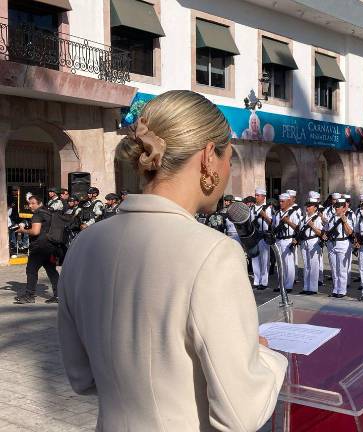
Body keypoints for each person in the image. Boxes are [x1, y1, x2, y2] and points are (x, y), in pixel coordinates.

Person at [58, 90, 286, 430]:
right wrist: (265, 354)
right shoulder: (214, 253)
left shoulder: (84, 244)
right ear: (209, 155)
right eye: (229, 157)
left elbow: (81, 377)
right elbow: (242, 413)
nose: (228, 169)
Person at [14, 195, 60, 304]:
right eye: (29, 203)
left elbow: (35, 231)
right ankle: (59, 295)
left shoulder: (38, 214)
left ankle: (29, 295)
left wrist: (22, 230)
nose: (30, 206)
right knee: (51, 271)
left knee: (31, 270)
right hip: (50, 246)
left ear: (39, 203)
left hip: (39, 247)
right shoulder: (49, 213)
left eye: (33, 203)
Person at [325, 198, 355, 298]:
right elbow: (326, 230)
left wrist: (344, 222)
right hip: (332, 244)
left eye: (338, 207)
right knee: (334, 269)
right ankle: (335, 289)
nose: (336, 208)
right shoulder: (331, 218)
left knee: (342, 268)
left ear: (343, 207)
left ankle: (342, 290)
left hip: (343, 243)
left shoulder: (348, 217)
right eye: (335, 206)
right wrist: (325, 235)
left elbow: (350, 232)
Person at [273, 193, 300, 292]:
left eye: (283, 201)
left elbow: (298, 228)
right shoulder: (277, 213)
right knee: (280, 264)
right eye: (280, 201)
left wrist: (288, 221)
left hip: (288, 239)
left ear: (289, 201)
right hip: (278, 240)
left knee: (288, 263)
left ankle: (288, 285)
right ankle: (281, 284)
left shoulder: (293, 213)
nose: (281, 203)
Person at [297, 197, 323, 295]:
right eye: (307, 206)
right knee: (306, 266)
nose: (307, 208)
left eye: (309, 206)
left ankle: (313, 288)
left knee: (314, 266)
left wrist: (312, 226)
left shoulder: (318, 218)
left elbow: (321, 233)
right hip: (304, 242)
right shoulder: (304, 218)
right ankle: (306, 287)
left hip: (313, 241)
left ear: (315, 208)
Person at [251, 188, 273, 290]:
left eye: (257, 195)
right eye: (255, 195)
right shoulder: (252, 208)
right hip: (254, 235)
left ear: (263, 197)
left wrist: (265, 215)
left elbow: (272, 223)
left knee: (264, 259)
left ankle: (264, 282)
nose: (255, 197)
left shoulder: (268, 208)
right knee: (255, 259)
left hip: (264, 235)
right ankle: (256, 280)